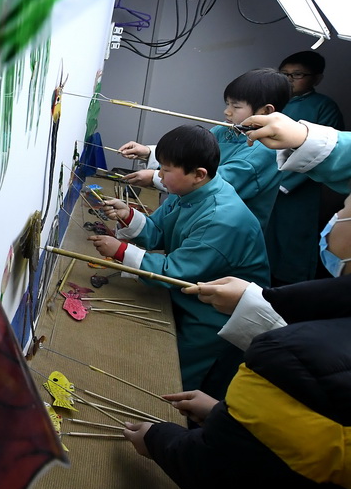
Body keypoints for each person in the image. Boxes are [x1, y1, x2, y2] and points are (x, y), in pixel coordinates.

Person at [122, 278, 351, 489]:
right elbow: (300, 434)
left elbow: (223, 472)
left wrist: (157, 440)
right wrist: (224, 415)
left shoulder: (288, 353)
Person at [88, 125, 270, 398]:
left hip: (216, 315)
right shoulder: (192, 193)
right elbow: (159, 232)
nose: (159, 176)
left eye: (166, 170)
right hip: (194, 293)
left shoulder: (221, 219)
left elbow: (175, 273)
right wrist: (129, 215)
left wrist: (121, 251)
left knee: (176, 379)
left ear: (198, 174)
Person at [118, 68, 291, 230]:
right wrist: (150, 153)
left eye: (236, 106)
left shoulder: (265, 151)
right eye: (227, 104)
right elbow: (192, 155)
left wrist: (156, 177)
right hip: (198, 218)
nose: (227, 112)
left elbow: (218, 183)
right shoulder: (227, 129)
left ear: (266, 110)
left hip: (225, 231)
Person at [264, 51, 344, 284]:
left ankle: (289, 289)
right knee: (264, 237)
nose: (289, 79)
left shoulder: (323, 107)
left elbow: (327, 151)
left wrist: (284, 184)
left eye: (297, 75)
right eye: (284, 74)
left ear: (316, 78)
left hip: (298, 188)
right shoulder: (273, 103)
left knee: (292, 242)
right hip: (263, 182)